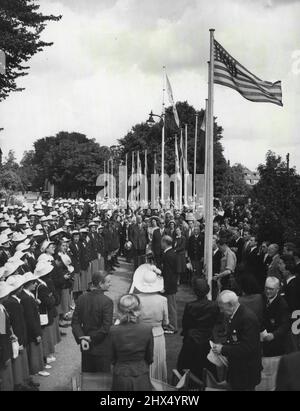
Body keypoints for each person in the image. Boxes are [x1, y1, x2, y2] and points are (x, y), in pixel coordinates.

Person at [213, 290, 262, 391]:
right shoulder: (235, 314)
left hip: (246, 373)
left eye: (222, 307)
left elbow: (247, 347)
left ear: (231, 304)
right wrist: (222, 345)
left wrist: (223, 349)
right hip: (238, 370)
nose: (221, 311)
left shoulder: (247, 318)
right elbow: (235, 340)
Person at [132, 265, 169, 382]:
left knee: (141, 361)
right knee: (157, 360)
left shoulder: (135, 298)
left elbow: (133, 318)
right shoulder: (162, 300)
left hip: (139, 334)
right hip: (157, 334)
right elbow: (166, 321)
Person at [110, 294, 153, 391]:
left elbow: (112, 357)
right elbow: (149, 357)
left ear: (120, 310)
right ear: (138, 309)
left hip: (121, 374)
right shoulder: (147, 329)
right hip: (141, 373)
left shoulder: (113, 330)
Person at [177, 279, 219, 379]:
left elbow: (186, 324)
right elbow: (216, 321)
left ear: (195, 291)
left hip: (192, 340)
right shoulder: (214, 305)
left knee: (188, 367)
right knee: (209, 367)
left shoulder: (190, 306)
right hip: (207, 338)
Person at [72, 272, 113, 373]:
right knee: (102, 380)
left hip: (85, 345)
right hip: (101, 346)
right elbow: (106, 327)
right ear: (100, 284)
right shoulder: (107, 301)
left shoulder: (81, 298)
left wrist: (81, 338)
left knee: (87, 378)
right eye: (108, 282)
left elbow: (75, 323)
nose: (110, 284)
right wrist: (90, 338)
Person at [262, 276, 290, 357]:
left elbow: (285, 325)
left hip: (277, 343)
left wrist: (273, 335)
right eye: (266, 288)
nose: (267, 291)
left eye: (271, 289)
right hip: (264, 341)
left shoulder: (282, 305)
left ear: (277, 289)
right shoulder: (263, 297)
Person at [161, 235, 178, 333]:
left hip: (169, 285)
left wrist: (165, 287)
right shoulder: (170, 253)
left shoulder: (168, 255)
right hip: (171, 284)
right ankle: (170, 325)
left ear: (165, 242)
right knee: (170, 306)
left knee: (171, 307)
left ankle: (173, 326)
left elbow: (169, 273)